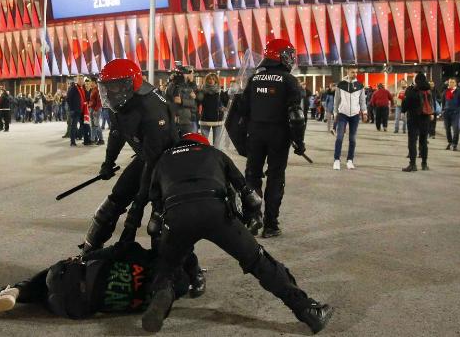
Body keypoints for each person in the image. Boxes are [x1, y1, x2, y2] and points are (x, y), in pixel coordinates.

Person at [141, 132, 332, 334]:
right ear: (203, 143)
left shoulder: (163, 160)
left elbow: (155, 216)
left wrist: (166, 246)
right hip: (216, 212)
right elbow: (249, 195)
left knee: (167, 268)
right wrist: (249, 220)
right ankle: (308, 311)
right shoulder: (214, 153)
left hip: (178, 214)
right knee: (259, 261)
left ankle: (161, 294)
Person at [82, 59, 179, 254]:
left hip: (168, 163)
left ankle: (176, 271)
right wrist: (108, 163)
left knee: (160, 222)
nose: (110, 91)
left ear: (130, 84)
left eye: (116, 86)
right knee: (111, 205)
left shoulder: (151, 108)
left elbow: (153, 163)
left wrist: (136, 210)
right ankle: (89, 253)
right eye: (107, 87)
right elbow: (117, 133)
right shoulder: (121, 103)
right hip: (147, 156)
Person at [0, 242, 198, 318]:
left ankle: (7, 291)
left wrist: (83, 257)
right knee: (48, 297)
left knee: (51, 277)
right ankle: (14, 293)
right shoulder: (153, 302)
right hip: (74, 308)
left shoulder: (142, 255)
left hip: (66, 278)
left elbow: (115, 250)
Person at [240, 38, 305, 238]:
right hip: (279, 135)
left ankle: (253, 217)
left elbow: (242, 110)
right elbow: (296, 115)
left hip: (256, 134)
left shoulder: (254, 79)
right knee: (276, 177)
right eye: (288, 54)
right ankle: (271, 224)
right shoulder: (289, 80)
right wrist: (299, 142)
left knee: (252, 176)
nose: (291, 59)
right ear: (279, 56)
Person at [333, 66, 367, 170]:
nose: (355, 74)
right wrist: (335, 113)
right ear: (347, 71)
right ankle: (337, 160)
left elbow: (362, 101)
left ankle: (350, 160)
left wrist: (364, 112)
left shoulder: (360, 86)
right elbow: (336, 100)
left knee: (352, 139)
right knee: (339, 138)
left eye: (356, 72)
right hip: (342, 114)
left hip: (355, 115)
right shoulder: (341, 84)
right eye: (353, 72)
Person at [401, 73, 435, 172]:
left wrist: (403, 110)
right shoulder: (428, 90)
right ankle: (424, 164)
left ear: (416, 80)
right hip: (425, 118)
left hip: (413, 118)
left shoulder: (411, 90)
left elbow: (406, 104)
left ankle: (412, 165)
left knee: (412, 141)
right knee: (423, 141)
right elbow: (431, 103)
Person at [165, 65, 199, 135]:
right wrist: (171, 81)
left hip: (187, 119)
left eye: (191, 73)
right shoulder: (174, 84)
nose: (191, 75)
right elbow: (167, 97)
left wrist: (182, 101)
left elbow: (193, 102)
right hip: (174, 118)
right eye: (189, 73)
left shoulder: (192, 85)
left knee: (189, 141)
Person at [196, 72, 226, 145]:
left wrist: (223, 107)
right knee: (204, 143)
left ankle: (215, 156)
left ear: (216, 80)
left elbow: (225, 103)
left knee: (216, 144)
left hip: (217, 119)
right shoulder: (202, 91)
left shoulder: (220, 92)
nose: (211, 80)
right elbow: (198, 102)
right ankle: (205, 156)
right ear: (206, 80)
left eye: (213, 79)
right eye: (209, 79)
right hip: (205, 119)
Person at [441, 78, 460, 151]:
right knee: (447, 129)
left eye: (453, 82)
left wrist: (457, 110)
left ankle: (454, 144)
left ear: (455, 83)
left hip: (455, 113)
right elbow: (443, 102)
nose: (451, 83)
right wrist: (443, 110)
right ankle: (450, 142)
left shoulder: (459, 92)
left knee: (455, 129)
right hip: (446, 113)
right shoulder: (445, 91)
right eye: (450, 82)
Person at [67, 76, 90, 146]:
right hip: (76, 110)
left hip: (83, 110)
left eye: (82, 79)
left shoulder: (83, 88)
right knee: (74, 126)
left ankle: (83, 138)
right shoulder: (73, 88)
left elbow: (87, 97)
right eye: (79, 79)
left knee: (85, 125)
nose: (80, 81)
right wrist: (72, 108)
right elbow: (68, 98)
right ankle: (72, 141)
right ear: (77, 80)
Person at [87, 79, 104, 145]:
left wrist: (96, 110)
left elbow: (99, 101)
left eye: (91, 82)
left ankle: (101, 139)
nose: (90, 84)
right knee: (93, 125)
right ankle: (92, 139)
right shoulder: (93, 89)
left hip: (96, 109)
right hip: (92, 108)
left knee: (96, 124)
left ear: (95, 83)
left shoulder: (98, 90)